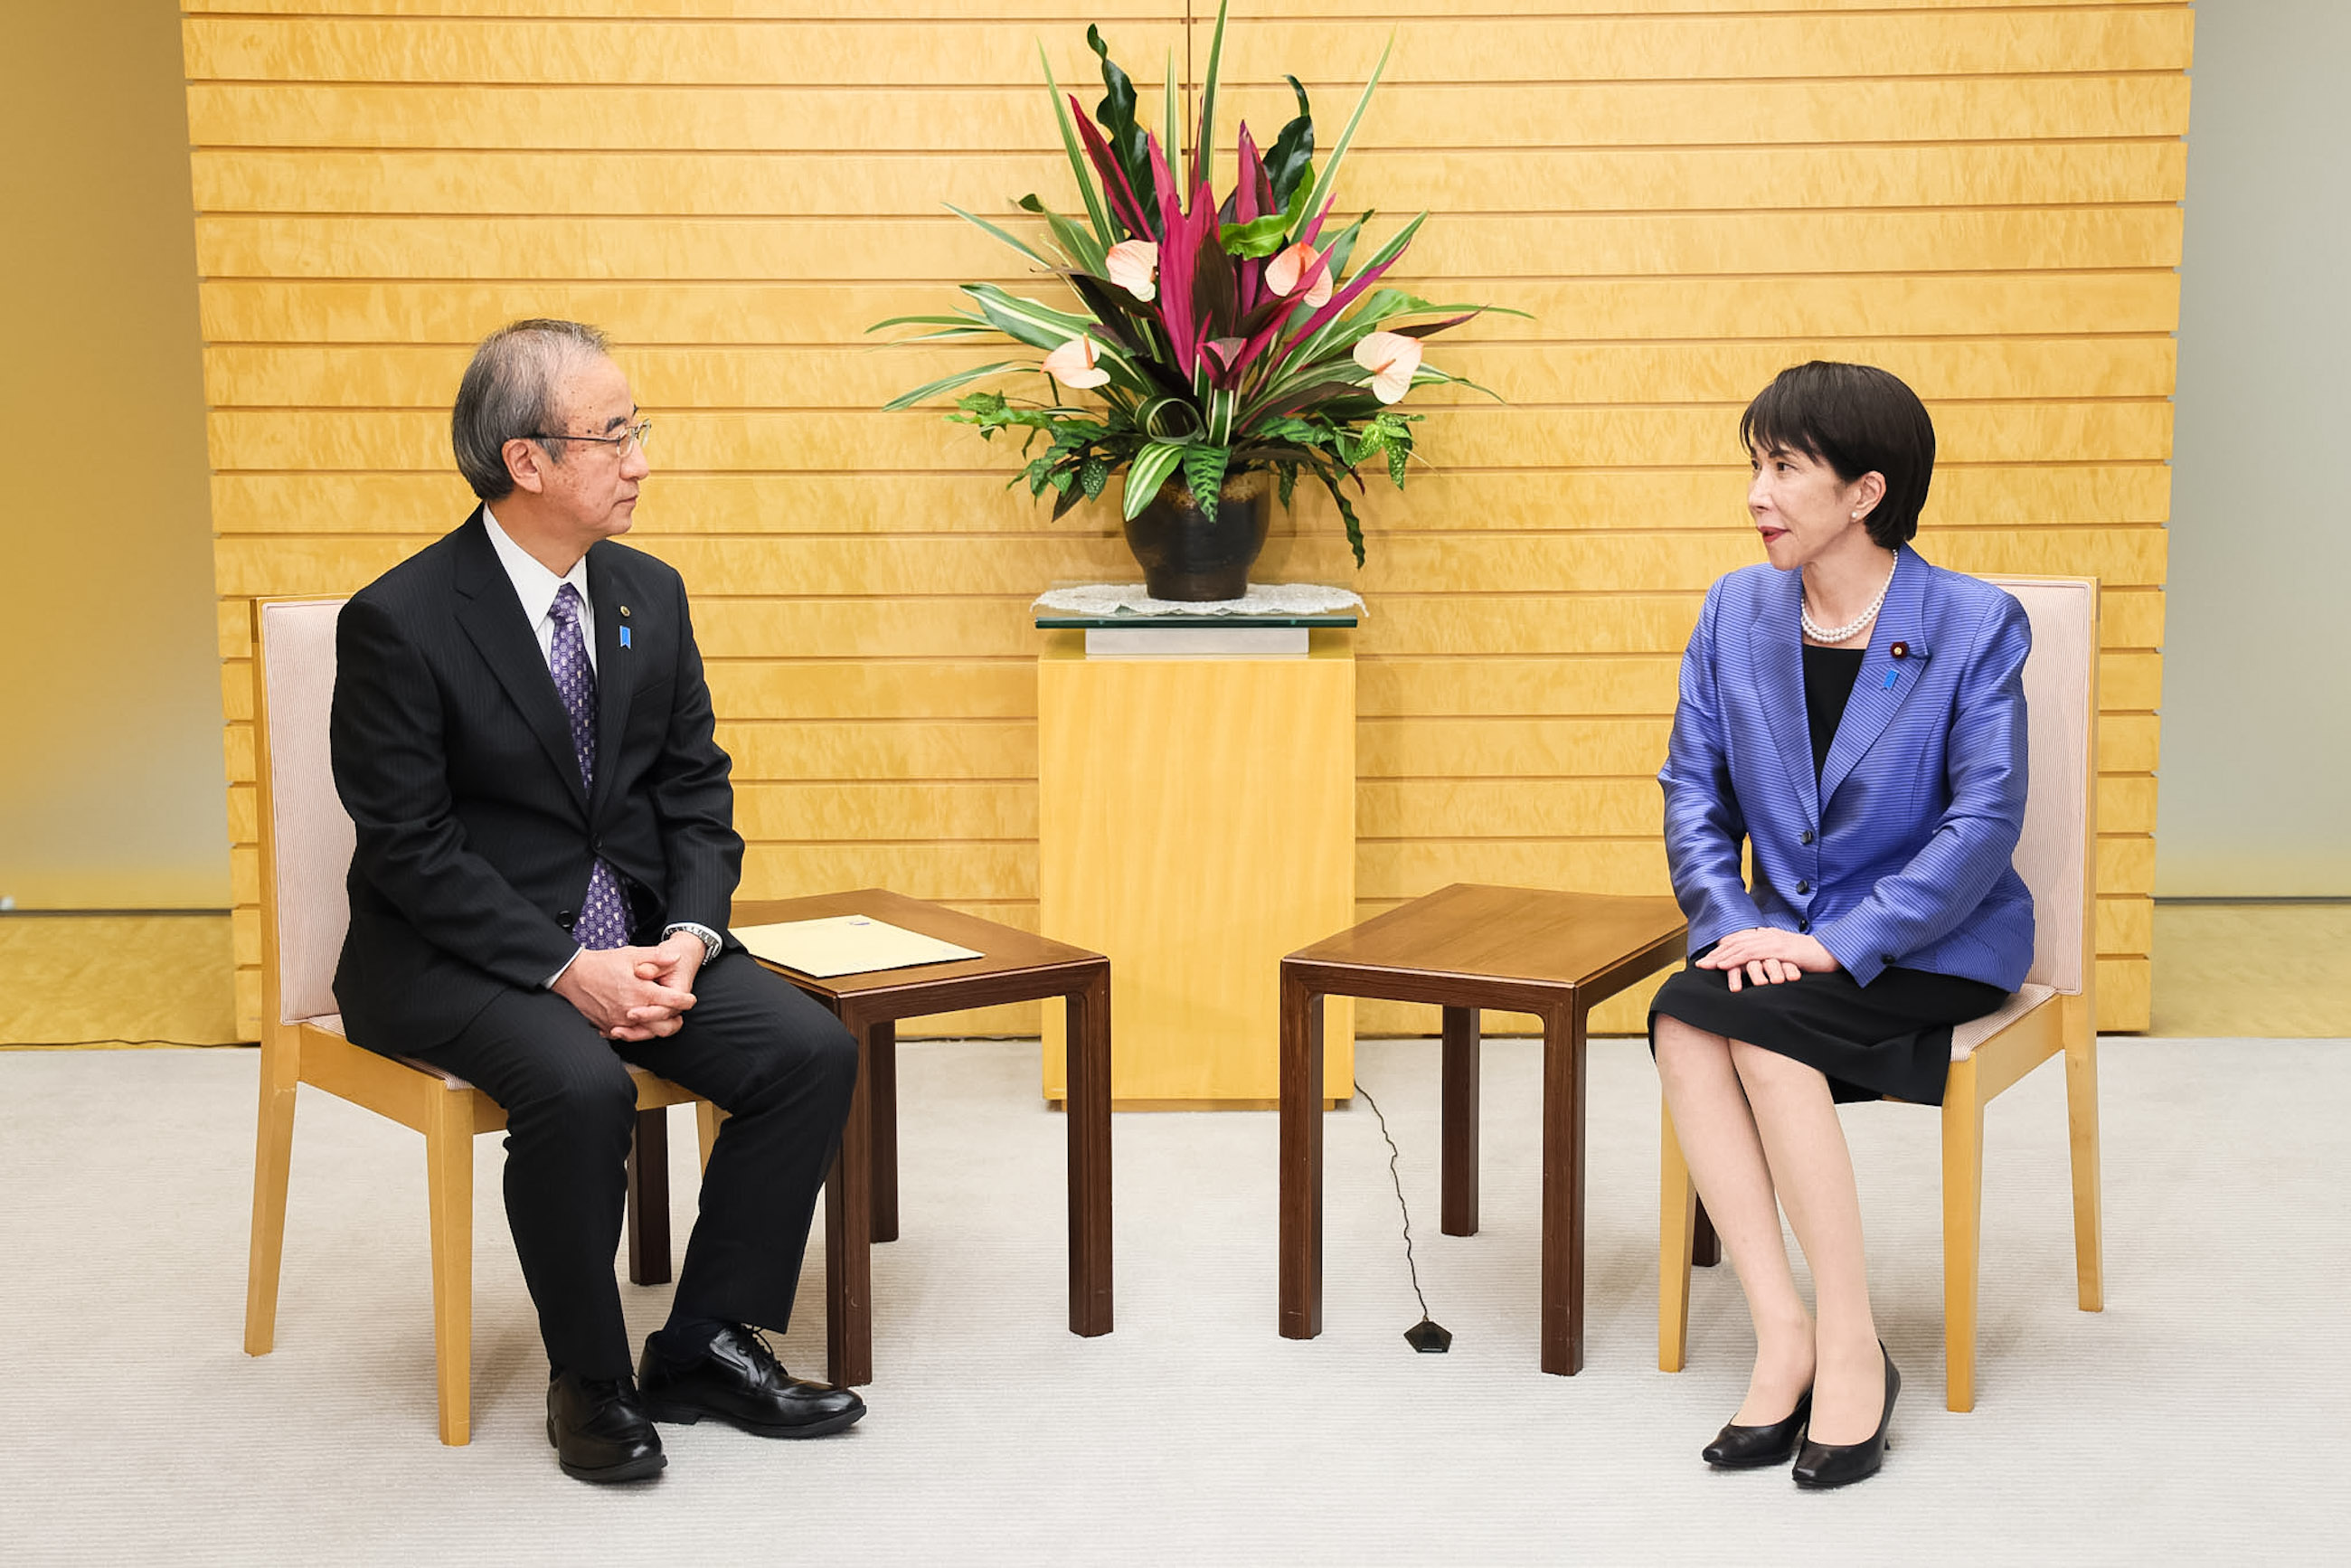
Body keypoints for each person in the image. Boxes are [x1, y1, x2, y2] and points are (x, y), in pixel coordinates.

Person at [330, 319, 864, 1483]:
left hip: (629, 931)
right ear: (527, 462)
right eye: (614, 436)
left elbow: (693, 789)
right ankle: (588, 1376)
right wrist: (565, 966)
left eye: (638, 431)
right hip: (451, 954)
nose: (639, 460)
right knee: (577, 1088)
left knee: (806, 1049)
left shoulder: (646, 594)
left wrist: (685, 933)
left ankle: (707, 1342)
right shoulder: (401, 621)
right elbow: (410, 847)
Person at [1650, 361, 2032, 1489]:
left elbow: (1982, 821)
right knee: (1685, 1013)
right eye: (1753, 466)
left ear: (1864, 492)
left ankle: (1853, 1346)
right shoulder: (1734, 606)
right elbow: (1690, 791)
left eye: (1783, 469)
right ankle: (1786, 1334)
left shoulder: (1971, 623)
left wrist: (1832, 942)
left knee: (1756, 1031)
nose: (1755, 494)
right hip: (1774, 932)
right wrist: (1728, 924)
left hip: (1930, 941)